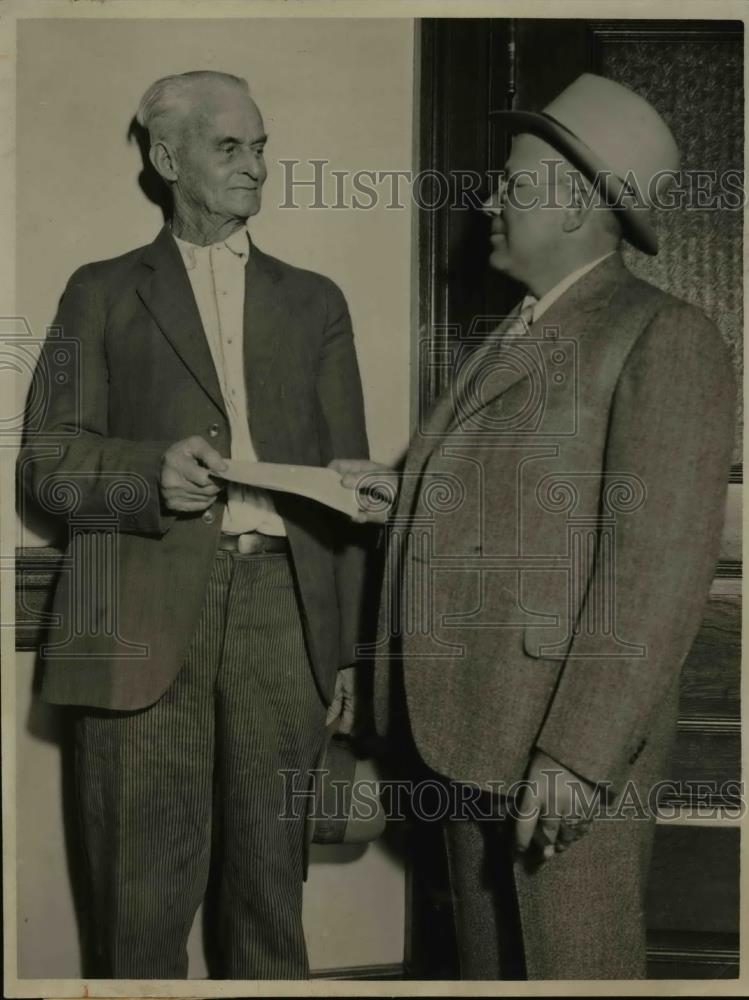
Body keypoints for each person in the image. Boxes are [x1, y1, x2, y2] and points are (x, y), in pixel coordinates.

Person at [332, 74, 735, 979]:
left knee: (574, 967)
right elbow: (510, 500)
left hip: (559, 753)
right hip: (470, 732)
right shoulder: (516, 330)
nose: (484, 200)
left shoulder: (662, 336)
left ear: (579, 202)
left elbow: (656, 572)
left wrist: (579, 756)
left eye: (510, 183)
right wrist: (397, 490)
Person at [18, 70, 369, 979]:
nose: (256, 165)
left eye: (260, 145)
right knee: (137, 915)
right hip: (136, 616)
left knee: (268, 909)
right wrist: (146, 475)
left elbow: (349, 496)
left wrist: (343, 654)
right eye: (230, 147)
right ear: (168, 159)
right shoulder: (97, 292)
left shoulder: (316, 301)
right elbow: (45, 462)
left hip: (281, 617)